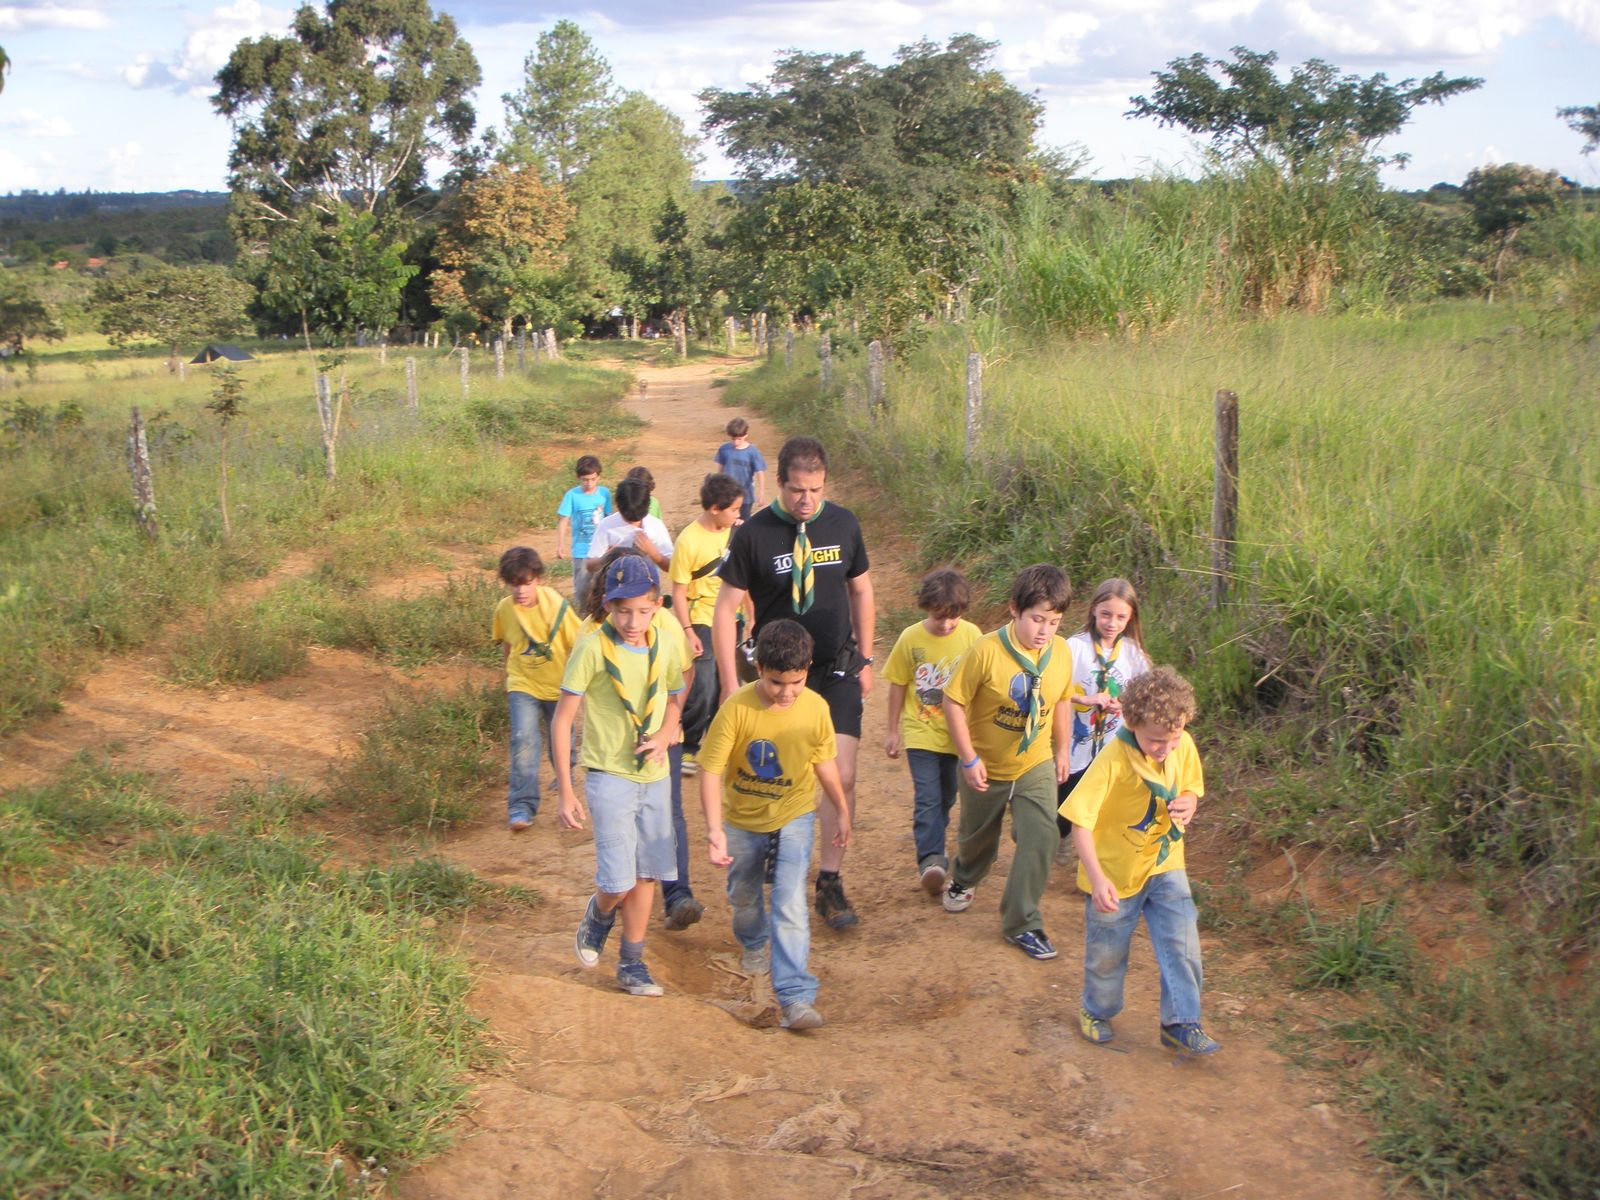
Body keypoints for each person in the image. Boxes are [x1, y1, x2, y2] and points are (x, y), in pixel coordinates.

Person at [712, 436, 874, 931]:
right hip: (778, 675)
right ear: (779, 483)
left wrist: (866, 657)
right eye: (797, 490)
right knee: (773, 768)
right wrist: (728, 682)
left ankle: (829, 880)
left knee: (841, 772)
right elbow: (724, 609)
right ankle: (773, 839)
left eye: (816, 490)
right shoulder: (753, 534)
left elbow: (861, 590)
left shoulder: (843, 524)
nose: (807, 500)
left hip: (835, 666)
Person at [699, 619, 852, 1031]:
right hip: (743, 817)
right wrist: (714, 830)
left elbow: (824, 762)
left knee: (789, 900)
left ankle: (795, 997)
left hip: (794, 813)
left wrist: (841, 808)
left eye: (796, 683)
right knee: (744, 893)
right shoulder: (737, 709)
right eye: (775, 683)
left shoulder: (816, 709)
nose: (786, 693)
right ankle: (753, 941)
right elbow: (710, 770)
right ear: (759, 668)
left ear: (807, 670)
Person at [1059, 666, 1219, 1056]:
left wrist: (1189, 803)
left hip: (1165, 863)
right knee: (1107, 952)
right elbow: (1080, 823)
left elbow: (1191, 788)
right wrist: (1097, 879)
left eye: (1174, 739)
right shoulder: (1113, 759)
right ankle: (1097, 1010)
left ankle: (1181, 1022)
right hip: (1114, 875)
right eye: (1156, 741)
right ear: (1132, 723)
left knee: (1183, 941)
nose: (1166, 749)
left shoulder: (1183, 745)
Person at [551, 555, 687, 996]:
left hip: (654, 774)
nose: (632, 621)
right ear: (608, 604)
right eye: (623, 610)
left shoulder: (666, 643)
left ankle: (632, 962)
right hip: (608, 773)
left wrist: (665, 734)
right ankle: (600, 911)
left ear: (658, 605)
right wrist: (566, 789)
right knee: (618, 880)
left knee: (647, 874)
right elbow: (562, 719)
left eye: (643, 611)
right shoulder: (592, 648)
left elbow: (676, 698)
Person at [940, 564, 1075, 961]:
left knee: (1042, 836)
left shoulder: (1061, 652)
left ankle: (1022, 921)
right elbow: (953, 700)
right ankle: (965, 876)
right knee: (977, 839)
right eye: (1037, 619)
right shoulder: (985, 651)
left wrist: (1062, 749)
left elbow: (1062, 699)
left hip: (1034, 763)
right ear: (1014, 609)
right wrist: (968, 758)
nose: (1045, 631)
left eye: (1054, 622)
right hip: (986, 765)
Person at [578, 547, 704, 932]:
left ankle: (677, 894)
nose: (635, 618)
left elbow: (685, 672)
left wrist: (670, 722)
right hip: (614, 753)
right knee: (624, 825)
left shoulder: (664, 622)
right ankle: (620, 889)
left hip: (662, 738)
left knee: (670, 814)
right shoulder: (592, 632)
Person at [883, 567, 982, 897]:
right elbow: (898, 683)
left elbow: (983, 683)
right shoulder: (910, 638)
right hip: (921, 732)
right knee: (927, 797)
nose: (946, 624)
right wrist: (892, 730)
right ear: (926, 608)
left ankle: (935, 846)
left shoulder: (972, 636)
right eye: (939, 617)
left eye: (953, 617)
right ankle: (931, 860)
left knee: (946, 797)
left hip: (959, 737)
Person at [1057, 578, 1152, 847]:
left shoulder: (1133, 654)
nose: (1112, 623)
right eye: (1106, 614)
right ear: (1093, 611)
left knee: (1104, 805)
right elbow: (1055, 690)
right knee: (1066, 803)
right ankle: (1060, 837)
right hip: (1076, 747)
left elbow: (1145, 695)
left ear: (1131, 617)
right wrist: (1086, 699)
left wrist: (1123, 703)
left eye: (1121, 617)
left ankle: (1091, 854)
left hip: (1113, 746)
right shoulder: (1074, 647)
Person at [491, 546, 580, 831]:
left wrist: (577, 684)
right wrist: (509, 677)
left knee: (561, 740)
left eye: (526, 583)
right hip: (522, 684)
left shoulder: (557, 607)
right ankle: (521, 806)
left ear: (538, 579)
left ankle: (565, 771)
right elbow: (508, 644)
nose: (520, 591)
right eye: (514, 584)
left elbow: (578, 645)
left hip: (558, 686)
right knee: (523, 739)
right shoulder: (504, 610)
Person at [670, 472, 745, 777]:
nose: (738, 515)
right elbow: (678, 591)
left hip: (734, 619)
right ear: (715, 508)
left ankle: (716, 742)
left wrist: (751, 617)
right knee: (703, 685)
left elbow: (746, 582)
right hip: (702, 619)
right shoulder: (688, 541)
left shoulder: (738, 534)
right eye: (734, 509)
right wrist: (688, 631)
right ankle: (689, 743)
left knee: (729, 684)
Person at [556, 455, 611, 604]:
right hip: (581, 551)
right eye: (585, 480)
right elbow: (564, 520)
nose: (589, 483)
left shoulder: (604, 494)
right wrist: (560, 545)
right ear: (578, 478)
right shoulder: (572, 495)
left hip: (601, 550)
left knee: (602, 588)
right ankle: (581, 615)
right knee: (581, 590)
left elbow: (609, 519)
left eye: (593, 479)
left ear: (599, 477)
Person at [588, 478, 673, 573]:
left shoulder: (655, 525)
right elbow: (589, 565)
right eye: (628, 518)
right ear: (618, 506)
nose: (633, 522)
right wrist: (608, 556)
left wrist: (654, 554)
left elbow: (672, 567)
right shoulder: (607, 525)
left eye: (639, 517)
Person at [713, 417, 768, 521]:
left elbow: (760, 473)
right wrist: (718, 488)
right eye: (733, 439)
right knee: (727, 520)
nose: (736, 442)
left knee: (744, 522)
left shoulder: (753, 452)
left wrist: (761, 493)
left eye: (739, 439)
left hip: (746, 495)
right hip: (727, 493)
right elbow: (720, 470)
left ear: (746, 435)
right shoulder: (724, 449)